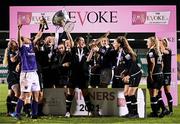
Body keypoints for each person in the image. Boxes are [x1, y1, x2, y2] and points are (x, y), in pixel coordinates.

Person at [12, 23, 43, 120]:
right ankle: (16, 113)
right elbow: (19, 40)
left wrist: (42, 26)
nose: (28, 38)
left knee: (36, 94)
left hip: (34, 73)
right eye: (25, 38)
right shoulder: (22, 48)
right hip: (26, 74)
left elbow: (39, 35)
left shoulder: (32, 45)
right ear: (23, 40)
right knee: (24, 95)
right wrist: (19, 30)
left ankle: (34, 114)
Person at [113, 36, 142, 118]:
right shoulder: (120, 51)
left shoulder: (125, 52)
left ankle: (136, 114)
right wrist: (123, 73)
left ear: (119, 44)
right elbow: (125, 65)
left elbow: (133, 63)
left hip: (134, 74)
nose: (113, 44)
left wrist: (129, 75)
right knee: (126, 93)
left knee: (130, 93)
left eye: (114, 42)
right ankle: (130, 113)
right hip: (128, 74)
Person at [65, 36, 93, 117]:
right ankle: (67, 112)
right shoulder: (73, 49)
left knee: (85, 93)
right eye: (81, 40)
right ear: (77, 42)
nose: (83, 42)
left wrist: (91, 50)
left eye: (83, 40)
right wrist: (67, 32)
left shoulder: (86, 50)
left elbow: (88, 60)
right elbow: (70, 40)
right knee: (70, 93)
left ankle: (90, 111)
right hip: (73, 74)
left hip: (83, 75)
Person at [146, 36, 168, 117]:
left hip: (154, 75)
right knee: (155, 94)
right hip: (159, 74)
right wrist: (160, 72)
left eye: (148, 42)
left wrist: (151, 74)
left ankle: (157, 112)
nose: (146, 43)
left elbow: (153, 63)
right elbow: (162, 64)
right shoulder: (158, 51)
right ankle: (158, 111)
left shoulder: (151, 51)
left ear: (152, 42)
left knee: (154, 94)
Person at [3, 40, 20, 116]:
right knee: (18, 93)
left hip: (14, 75)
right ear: (11, 46)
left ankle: (8, 111)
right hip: (13, 75)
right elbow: (13, 60)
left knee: (11, 94)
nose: (16, 44)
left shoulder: (15, 51)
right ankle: (12, 110)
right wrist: (19, 53)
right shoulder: (10, 52)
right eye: (14, 43)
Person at [159, 38, 173, 115]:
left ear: (164, 43)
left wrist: (160, 48)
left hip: (166, 74)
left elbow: (165, 52)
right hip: (160, 74)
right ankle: (162, 108)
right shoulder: (159, 51)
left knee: (167, 91)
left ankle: (170, 110)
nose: (160, 43)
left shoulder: (168, 50)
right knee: (158, 91)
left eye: (161, 42)